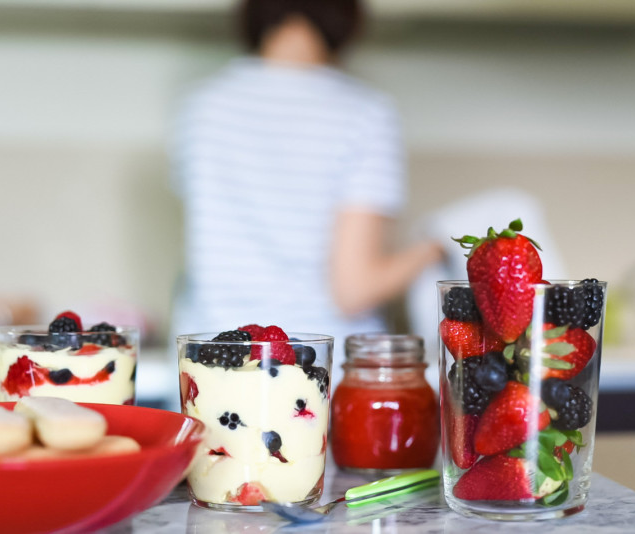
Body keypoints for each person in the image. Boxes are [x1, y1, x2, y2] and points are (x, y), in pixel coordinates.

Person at [169, 0, 444, 385]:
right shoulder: (364, 113)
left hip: (210, 365)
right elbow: (353, 289)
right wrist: (436, 246)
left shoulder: (199, 107)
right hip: (315, 373)